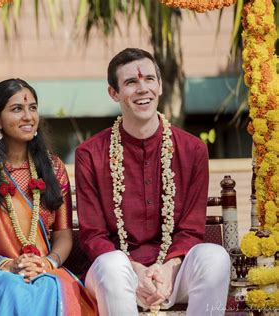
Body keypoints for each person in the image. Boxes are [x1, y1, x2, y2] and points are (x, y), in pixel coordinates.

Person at [75, 48, 230, 315]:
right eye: (131, 82)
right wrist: (136, 270)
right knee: (113, 265)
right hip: (115, 277)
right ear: (113, 93)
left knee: (215, 258)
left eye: (149, 79)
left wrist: (168, 268)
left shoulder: (192, 150)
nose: (142, 88)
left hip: (174, 272)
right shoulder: (90, 154)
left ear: (160, 86)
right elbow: (93, 235)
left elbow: (191, 229)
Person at [0, 78, 97, 316]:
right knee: (11, 288)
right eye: (17, 109)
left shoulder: (53, 168)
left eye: (32, 108)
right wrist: (4, 264)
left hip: (43, 271)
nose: (28, 116)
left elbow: (63, 234)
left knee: (49, 287)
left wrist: (48, 263)